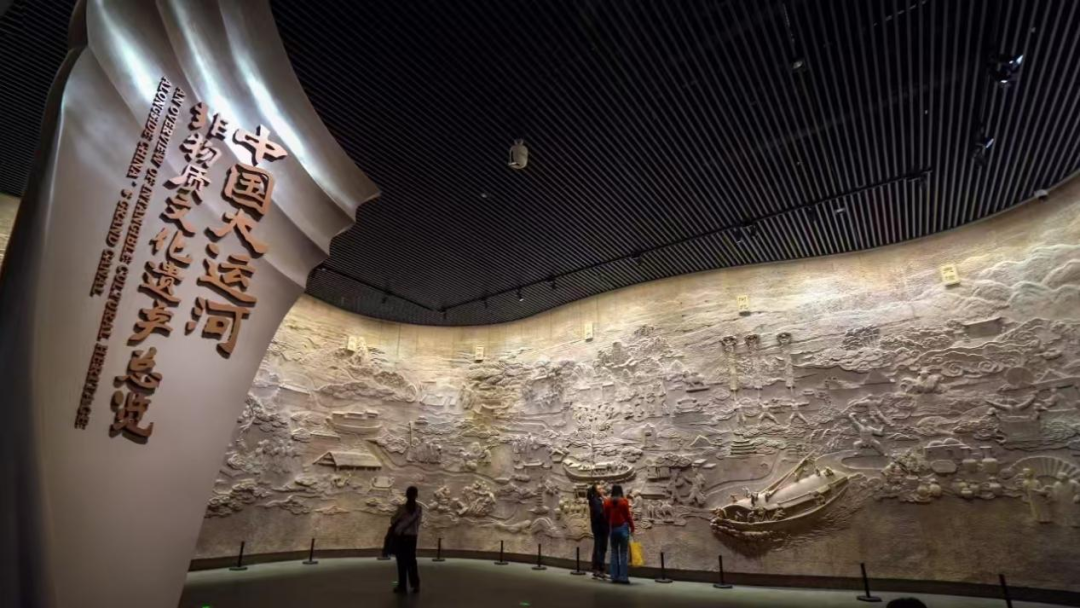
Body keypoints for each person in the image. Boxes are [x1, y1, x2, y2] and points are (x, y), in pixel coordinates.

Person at [390, 486, 423, 594]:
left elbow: (393, 520)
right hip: (412, 537)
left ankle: (402, 586)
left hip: (402, 537)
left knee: (401, 562)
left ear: (406, 495)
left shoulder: (402, 508)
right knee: (412, 561)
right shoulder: (419, 509)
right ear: (416, 495)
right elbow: (418, 523)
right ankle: (415, 585)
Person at [603, 484, 635, 584]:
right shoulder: (624, 501)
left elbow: (606, 516)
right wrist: (632, 526)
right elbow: (628, 516)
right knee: (623, 553)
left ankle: (614, 576)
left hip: (613, 528)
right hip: (623, 528)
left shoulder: (607, 502)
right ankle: (623, 577)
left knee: (614, 552)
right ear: (621, 491)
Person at [587, 484, 609, 579]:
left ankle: (597, 569)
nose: (602, 489)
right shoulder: (595, 500)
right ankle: (599, 569)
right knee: (600, 548)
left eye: (602, 488)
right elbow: (600, 513)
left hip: (601, 527)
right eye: (600, 488)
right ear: (596, 491)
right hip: (600, 527)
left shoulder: (599, 499)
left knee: (600, 548)